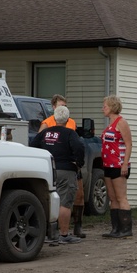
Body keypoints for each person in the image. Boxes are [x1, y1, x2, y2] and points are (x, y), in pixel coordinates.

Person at [31, 105, 85, 245]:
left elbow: (33, 146)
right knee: (64, 202)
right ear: (67, 120)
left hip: (47, 170)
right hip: (65, 170)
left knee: (47, 200)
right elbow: (79, 147)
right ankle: (64, 234)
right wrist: (78, 162)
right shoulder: (69, 133)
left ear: (54, 118)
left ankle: (48, 233)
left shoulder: (45, 133)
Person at [101, 95, 133, 238]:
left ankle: (126, 229)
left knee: (121, 197)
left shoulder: (122, 123)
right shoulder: (109, 124)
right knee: (112, 197)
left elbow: (128, 144)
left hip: (118, 164)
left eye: (105, 106)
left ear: (113, 107)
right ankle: (115, 228)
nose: (103, 108)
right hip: (107, 163)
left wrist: (125, 163)